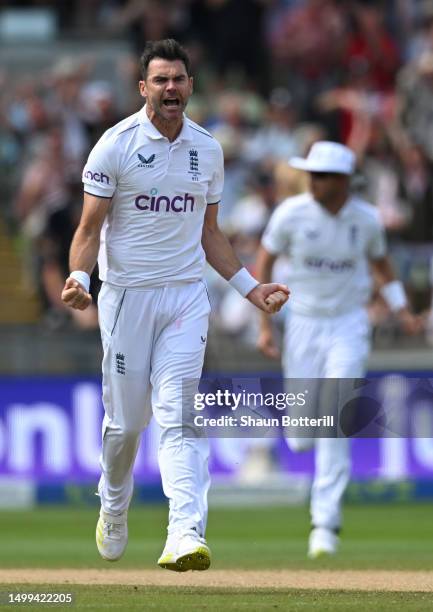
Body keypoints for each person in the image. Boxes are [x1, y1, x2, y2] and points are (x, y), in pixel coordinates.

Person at [61, 39, 289, 572]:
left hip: (186, 297)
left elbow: (210, 232)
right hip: (126, 299)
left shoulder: (207, 148)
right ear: (143, 88)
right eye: (160, 80)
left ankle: (184, 532)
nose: (171, 89)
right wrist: (78, 279)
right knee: (126, 427)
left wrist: (251, 289)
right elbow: (89, 229)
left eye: (179, 80)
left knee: (180, 416)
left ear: (190, 85)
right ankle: (113, 506)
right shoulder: (114, 145)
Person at [256, 141, 419, 558]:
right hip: (304, 323)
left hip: (349, 322)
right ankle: (299, 437)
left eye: (324, 176)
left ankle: (324, 524)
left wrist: (402, 310)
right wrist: (265, 325)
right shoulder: (291, 213)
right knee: (301, 437)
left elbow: (381, 265)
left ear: (345, 181)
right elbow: (265, 263)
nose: (315, 182)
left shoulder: (365, 219)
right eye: (312, 174)